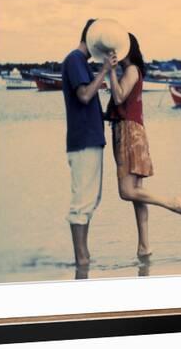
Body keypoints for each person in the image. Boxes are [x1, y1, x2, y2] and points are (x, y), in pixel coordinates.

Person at [106, 33, 181, 259]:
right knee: (137, 194)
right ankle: (144, 246)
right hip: (136, 131)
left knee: (127, 192)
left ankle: (171, 203)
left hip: (128, 132)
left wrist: (111, 71)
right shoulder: (134, 71)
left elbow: (118, 97)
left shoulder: (131, 70)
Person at [61, 19, 116, 267]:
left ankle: (84, 258)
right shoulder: (74, 59)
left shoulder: (81, 63)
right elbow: (84, 95)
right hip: (83, 141)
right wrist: (104, 70)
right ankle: (81, 258)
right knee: (82, 202)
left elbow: (87, 99)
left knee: (90, 201)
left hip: (90, 139)